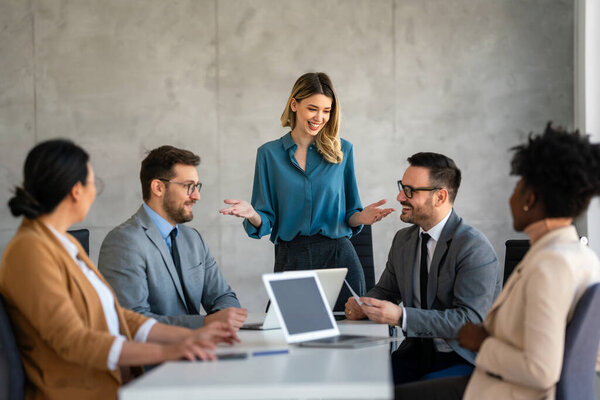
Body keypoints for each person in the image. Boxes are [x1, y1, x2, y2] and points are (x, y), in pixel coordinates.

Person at [0, 139, 239, 400]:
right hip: (78, 391)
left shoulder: (64, 242)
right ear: (75, 191)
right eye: (94, 184)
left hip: (111, 382)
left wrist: (189, 337)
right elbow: (73, 340)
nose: (95, 192)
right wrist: (167, 351)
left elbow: (117, 316)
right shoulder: (30, 250)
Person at [394, 124, 600, 400]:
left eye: (517, 186)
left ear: (531, 198)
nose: (511, 196)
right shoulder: (580, 256)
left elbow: (540, 370)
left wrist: (482, 343)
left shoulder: (551, 266)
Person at [219, 72, 394, 310]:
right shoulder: (269, 154)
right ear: (294, 104)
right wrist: (252, 213)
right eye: (313, 108)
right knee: (289, 336)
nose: (319, 117)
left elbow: (351, 213)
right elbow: (266, 220)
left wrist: (361, 217)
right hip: (292, 258)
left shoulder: (343, 151)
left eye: (326, 110)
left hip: (338, 257)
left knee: (350, 332)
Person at [345, 152, 502, 384]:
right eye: (401, 187)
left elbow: (469, 321)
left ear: (440, 197)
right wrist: (364, 304)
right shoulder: (403, 240)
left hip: (463, 359)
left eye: (410, 190)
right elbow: (386, 291)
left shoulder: (473, 247)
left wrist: (402, 316)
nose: (399, 197)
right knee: (357, 380)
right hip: (414, 354)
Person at [99, 146, 247, 329]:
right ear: (158, 188)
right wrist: (207, 323)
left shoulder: (193, 239)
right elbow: (132, 321)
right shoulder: (123, 242)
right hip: (156, 354)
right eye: (188, 186)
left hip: (201, 349)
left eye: (197, 186)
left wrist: (223, 322)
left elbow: (223, 296)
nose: (197, 196)